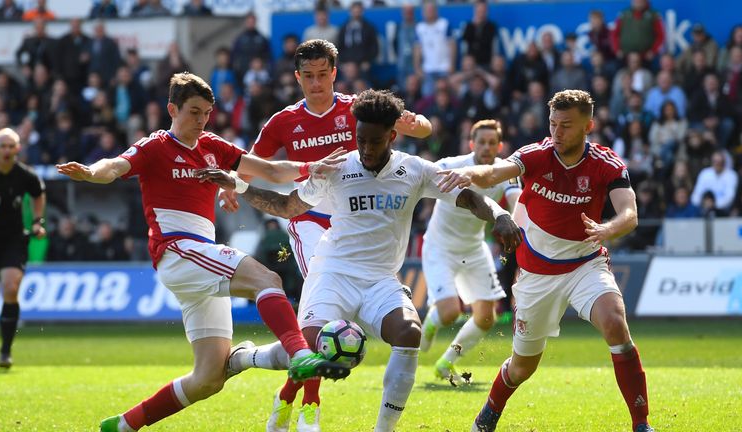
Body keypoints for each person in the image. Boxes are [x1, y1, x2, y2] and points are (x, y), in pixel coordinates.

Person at [198, 89, 522, 432]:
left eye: (375, 141)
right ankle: (248, 357)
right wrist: (240, 186)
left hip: (381, 279)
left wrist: (500, 213)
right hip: (333, 273)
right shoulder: (336, 168)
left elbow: (469, 197)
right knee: (306, 350)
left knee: (409, 334)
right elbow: (288, 207)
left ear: (393, 136)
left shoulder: (415, 170)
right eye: (360, 139)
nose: (366, 149)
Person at [55, 72, 350, 432]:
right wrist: (91, 171)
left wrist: (309, 167)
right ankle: (301, 354)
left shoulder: (213, 146)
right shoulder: (155, 146)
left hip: (199, 260)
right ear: (172, 109)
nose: (201, 120)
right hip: (177, 250)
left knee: (208, 378)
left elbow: (270, 170)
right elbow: (115, 166)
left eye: (207, 113)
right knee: (266, 278)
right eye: (194, 112)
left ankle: (124, 425)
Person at [218, 38, 432, 432]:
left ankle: (282, 395)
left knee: (317, 331)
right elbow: (251, 163)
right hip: (310, 218)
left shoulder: (358, 109)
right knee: (322, 325)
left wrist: (415, 123)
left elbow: (419, 129)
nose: (317, 84)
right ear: (298, 78)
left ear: (334, 73)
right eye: (309, 77)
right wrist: (232, 186)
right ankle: (310, 408)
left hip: (357, 222)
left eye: (323, 75)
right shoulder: (283, 121)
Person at [438, 89, 654, 432]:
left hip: (586, 264)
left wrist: (606, 228)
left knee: (615, 322)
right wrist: (469, 175)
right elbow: (496, 172)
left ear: (588, 127)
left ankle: (641, 424)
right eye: (553, 124)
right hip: (536, 274)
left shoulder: (606, 163)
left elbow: (629, 214)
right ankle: (488, 414)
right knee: (522, 368)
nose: (557, 132)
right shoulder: (537, 155)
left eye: (566, 126)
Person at [419, 119, 521, 381]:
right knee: (450, 312)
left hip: (474, 249)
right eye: (481, 142)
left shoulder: (505, 171)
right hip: (440, 246)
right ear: (471, 143)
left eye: (492, 143)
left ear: (499, 145)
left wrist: (520, 220)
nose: (486, 147)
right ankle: (430, 325)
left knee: (486, 318)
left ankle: (446, 362)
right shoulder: (451, 165)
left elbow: (515, 201)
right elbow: (420, 178)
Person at [0, 128, 46, 368]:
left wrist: (36, 221)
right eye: (2, 146)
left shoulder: (25, 175)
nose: (7, 150)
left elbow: (38, 193)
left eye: (11, 146)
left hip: (13, 239)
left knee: (11, 287)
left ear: (18, 149)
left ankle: (5, 350)